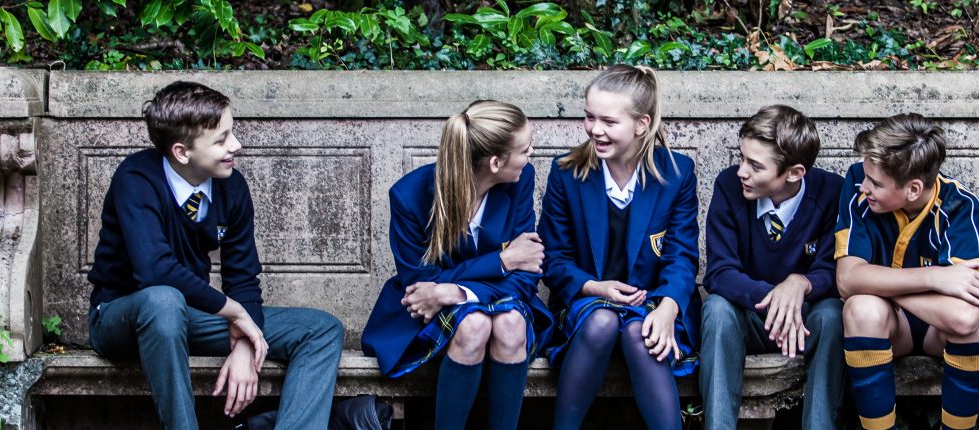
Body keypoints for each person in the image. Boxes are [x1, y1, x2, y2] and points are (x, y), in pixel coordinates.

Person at [85, 81, 343, 430]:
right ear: (182, 152)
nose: (235, 146)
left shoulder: (230, 186)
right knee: (163, 300)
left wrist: (246, 346)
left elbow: (242, 275)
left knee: (320, 329)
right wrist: (234, 312)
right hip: (120, 319)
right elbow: (154, 270)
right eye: (221, 140)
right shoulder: (136, 178)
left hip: (187, 317)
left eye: (231, 133)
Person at [360, 100, 551, 430]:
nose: (531, 154)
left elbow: (526, 275)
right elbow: (420, 287)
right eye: (525, 149)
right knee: (473, 325)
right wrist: (502, 260)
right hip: (426, 317)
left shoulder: (521, 179)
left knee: (510, 324)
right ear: (495, 162)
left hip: (498, 304)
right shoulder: (411, 196)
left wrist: (454, 290)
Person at [539, 65, 700, 430]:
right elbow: (554, 258)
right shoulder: (567, 173)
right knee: (602, 321)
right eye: (589, 116)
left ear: (642, 124)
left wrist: (668, 308)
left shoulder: (676, 174)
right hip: (586, 302)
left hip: (653, 301)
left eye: (609, 121)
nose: (595, 129)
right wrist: (596, 288)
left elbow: (681, 255)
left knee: (638, 333)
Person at [835, 113, 979, 430]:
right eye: (867, 177)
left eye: (876, 183)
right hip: (892, 327)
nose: (865, 186)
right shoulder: (858, 183)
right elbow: (846, 280)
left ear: (913, 189)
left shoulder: (959, 205)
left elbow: (963, 318)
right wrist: (934, 278)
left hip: (941, 331)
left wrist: (877, 282)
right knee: (861, 308)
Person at [699, 105, 845, 429]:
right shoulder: (728, 187)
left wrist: (800, 284)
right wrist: (777, 298)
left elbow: (835, 271)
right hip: (749, 316)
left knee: (833, 314)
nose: (741, 171)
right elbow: (719, 272)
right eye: (741, 158)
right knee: (717, 310)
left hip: (804, 322)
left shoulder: (832, 192)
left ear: (794, 173)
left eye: (755, 165)